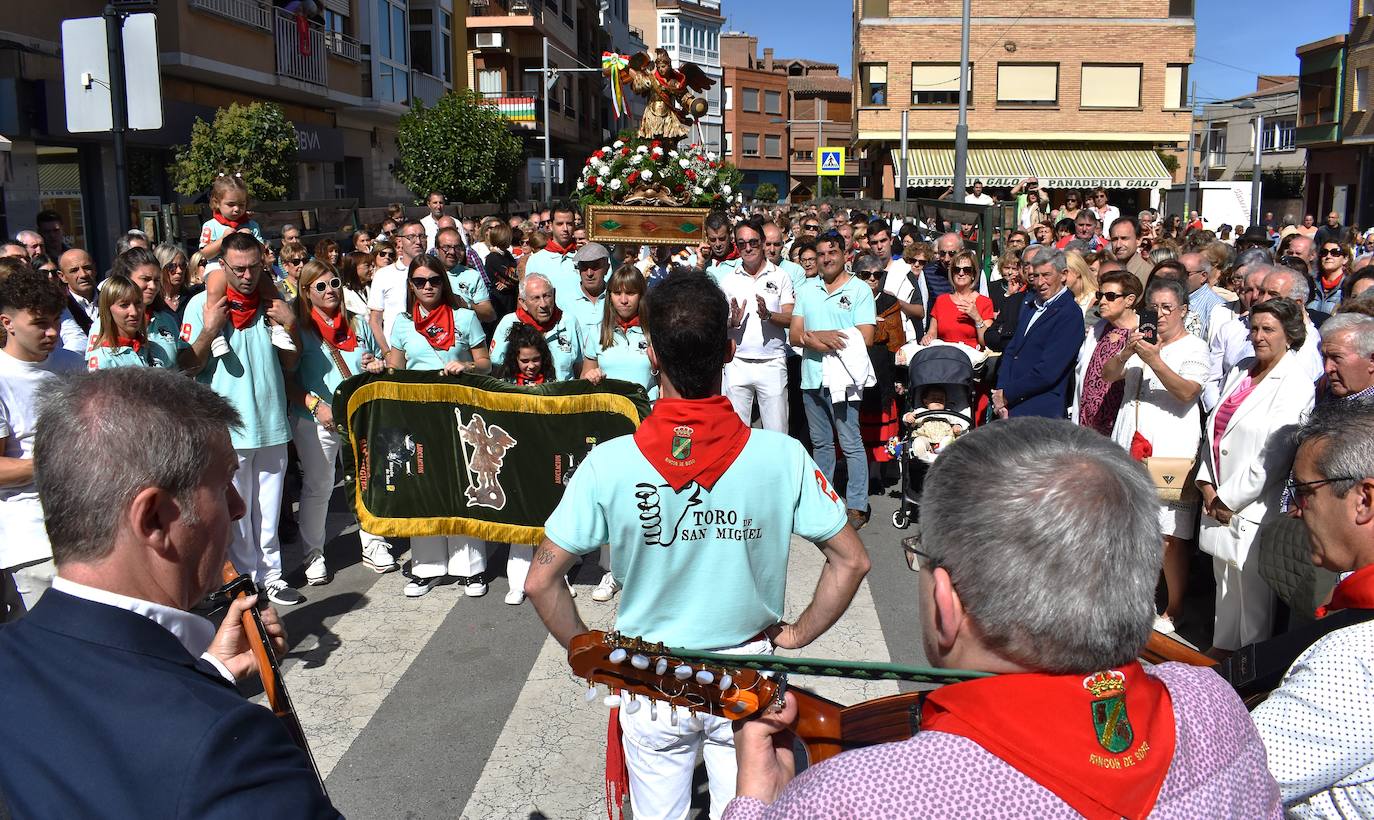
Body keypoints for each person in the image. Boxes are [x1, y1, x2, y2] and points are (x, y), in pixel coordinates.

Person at [726, 418, 1281, 820]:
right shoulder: (1210, 706)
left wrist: (759, 800)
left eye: (919, 556)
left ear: (948, 603)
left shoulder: (857, 798)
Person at [525, 270, 870, 820]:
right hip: (747, 679)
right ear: (730, 351)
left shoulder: (609, 462)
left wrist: (590, 656)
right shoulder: (782, 457)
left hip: (647, 678)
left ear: (652, 355)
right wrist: (797, 633)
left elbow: (541, 579)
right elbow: (851, 560)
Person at [0, 367, 340, 817]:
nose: (238, 509)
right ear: (157, 518)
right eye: (223, 486)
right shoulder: (230, 754)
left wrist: (210, 671)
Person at [1251, 399, 1374, 816]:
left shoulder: (1352, 661)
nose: (1297, 510)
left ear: (1364, 500)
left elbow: (1230, 772)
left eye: (1304, 492)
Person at [178, 232, 304, 607]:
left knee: (270, 507)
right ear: (223, 266)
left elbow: (291, 363)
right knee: (238, 511)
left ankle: (274, 576)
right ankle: (245, 577)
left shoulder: (273, 302)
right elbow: (186, 366)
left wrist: (292, 325)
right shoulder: (203, 304)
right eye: (239, 269)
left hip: (271, 421)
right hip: (229, 427)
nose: (247, 276)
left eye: (254, 268)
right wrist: (210, 330)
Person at [1198, 298, 1316, 655]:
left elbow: (1275, 455)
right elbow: (1214, 427)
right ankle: (1222, 653)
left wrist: (1226, 499)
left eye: (1269, 330)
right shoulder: (1243, 369)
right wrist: (1206, 484)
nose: (1258, 336)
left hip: (1253, 505)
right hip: (1218, 493)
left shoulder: (1296, 382)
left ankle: (1248, 675)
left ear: (1290, 335)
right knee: (1225, 585)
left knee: (1251, 598)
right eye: (1254, 328)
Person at [1102, 278, 1208, 633]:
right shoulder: (1139, 342)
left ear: (1183, 311)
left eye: (1167, 308)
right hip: (1129, 446)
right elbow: (1108, 375)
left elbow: (1187, 391)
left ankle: (1173, 608)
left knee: (1168, 535)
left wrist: (1155, 359)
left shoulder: (1194, 347)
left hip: (1170, 452)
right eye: (1155, 308)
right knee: (1130, 525)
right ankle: (1138, 598)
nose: (1160, 315)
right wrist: (1129, 352)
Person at [385, 253, 491, 597]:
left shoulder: (465, 316)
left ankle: (471, 568)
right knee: (424, 486)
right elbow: (396, 372)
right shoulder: (401, 323)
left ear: (443, 282)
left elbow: (487, 363)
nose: (427, 286)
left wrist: (467, 367)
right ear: (411, 286)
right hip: (420, 415)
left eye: (433, 280)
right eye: (419, 281)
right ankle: (427, 567)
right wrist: (377, 367)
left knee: (464, 485)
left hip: (463, 412)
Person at [289, 260, 395, 584]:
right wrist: (315, 405)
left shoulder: (358, 323)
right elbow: (287, 378)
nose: (330, 291)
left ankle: (373, 542)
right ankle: (313, 555)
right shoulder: (300, 330)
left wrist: (375, 364)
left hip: (358, 416)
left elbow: (381, 359)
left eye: (334, 283)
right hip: (316, 420)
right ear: (306, 292)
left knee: (366, 481)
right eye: (320, 286)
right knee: (320, 486)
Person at [0, 269, 84, 619]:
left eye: (55, 321)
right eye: (39, 324)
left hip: (87, 530)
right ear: (8, 322)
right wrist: (56, 460)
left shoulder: (72, 365)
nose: (52, 332)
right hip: (31, 541)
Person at [792, 233, 877, 530]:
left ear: (845, 255)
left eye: (832, 252)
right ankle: (825, 500)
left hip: (844, 379)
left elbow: (866, 336)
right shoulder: (806, 289)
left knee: (850, 441)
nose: (826, 258)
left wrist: (823, 339)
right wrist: (814, 341)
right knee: (821, 444)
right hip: (812, 376)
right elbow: (794, 334)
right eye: (821, 254)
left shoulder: (859, 290)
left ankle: (856, 505)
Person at [993, 246, 1085, 419]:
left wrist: (1006, 394)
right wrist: (1001, 392)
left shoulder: (1070, 314)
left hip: (1041, 410)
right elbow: (1012, 350)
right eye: (1036, 276)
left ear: (1063, 274)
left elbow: (1048, 371)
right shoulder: (1030, 305)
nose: (1040, 282)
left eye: (1046, 275)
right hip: (1010, 406)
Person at [721, 218, 794, 433]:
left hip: (772, 362)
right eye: (742, 243)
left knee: (777, 431)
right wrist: (731, 322)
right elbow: (719, 323)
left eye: (753, 242)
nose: (748, 248)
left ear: (762, 243)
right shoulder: (728, 280)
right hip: (737, 363)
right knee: (735, 433)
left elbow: (790, 318)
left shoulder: (781, 276)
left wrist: (769, 315)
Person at [1071, 271, 1142, 436]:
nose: (1102, 301)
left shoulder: (1141, 332)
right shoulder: (1098, 328)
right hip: (1088, 424)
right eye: (1100, 295)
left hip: (1119, 424)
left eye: (1110, 296)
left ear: (1129, 300)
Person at [489, 272, 583, 381]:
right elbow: (496, 369)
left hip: (562, 395)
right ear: (523, 302)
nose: (543, 304)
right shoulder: (508, 323)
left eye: (547, 296)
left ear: (554, 294)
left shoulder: (569, 322)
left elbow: (579, 369)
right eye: (536, 298)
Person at [582, 264, 655, 400]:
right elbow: (584, 379)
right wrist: (590, 376)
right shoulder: (597, 332)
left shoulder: (655, 332)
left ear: (641, 295)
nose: (623, 300)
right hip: (609, 412)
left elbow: (665, 384)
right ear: (610, 296)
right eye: (617, 293)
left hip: (646, 411)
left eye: (630, 293)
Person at [86, 275, 170, 370]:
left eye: (138, 303)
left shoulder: (156, 350)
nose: (134, 312)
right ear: (108, 310)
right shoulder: (103, 359)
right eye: (124, 305)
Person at [368, 219, 427, 353]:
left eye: (422, 236)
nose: (418, 241)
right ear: (399, 241)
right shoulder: (384, 275)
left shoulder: (436, 271)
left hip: (430, 351)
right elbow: (375, 320)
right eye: (411, 237)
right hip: (397, 352)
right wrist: (387, 353)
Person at [919, 249, 993, 349]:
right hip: (943, 354)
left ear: (973, 274)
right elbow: (932, 332)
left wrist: (977, 318)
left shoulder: (984, 302)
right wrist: (928, 337)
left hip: (970, 357)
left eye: (966, 270)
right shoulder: (941, 300)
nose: (961, 273)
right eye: (957, 270)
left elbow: (986, 341)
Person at [434, 226, 497, 325]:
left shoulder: (472, 275)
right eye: (446, 247)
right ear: (436, 250)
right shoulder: (427, 274)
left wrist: (466, 304)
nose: (452, 252)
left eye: (457, 247)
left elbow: (490, 315)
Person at [525, 203, 580, 311]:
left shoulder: (583, 256)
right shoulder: (536, 260)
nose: (565, 228)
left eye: (569, 224)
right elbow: (528, 297)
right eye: (560, 224)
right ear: (550, 225)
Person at [1319, 313, 1374, 402]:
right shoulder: (1325, 395)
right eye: (1325, 357)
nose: (1327, 369)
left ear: (1372, 361)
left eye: (1336, 358)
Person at [56, 247, 98, 355]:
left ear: (95, 269)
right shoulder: (59, 307)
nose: (83, 274)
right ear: (62, 276)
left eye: (87, 268)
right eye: (74, 270)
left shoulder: (111, 300)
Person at [153, 242, 194, 320]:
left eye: (183, 265)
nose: (179, 271)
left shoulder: (192, 298)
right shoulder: (153, 301)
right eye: (172, 266)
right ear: (160, 268)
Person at [1109, 215, 1154, 286]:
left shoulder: (1149, 275)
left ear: (1138, 240)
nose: (1118, 245)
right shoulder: (1108, 270)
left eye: (1124, 238)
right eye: (1114, 239)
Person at [1312, 240, 1351, 315]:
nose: (1328, 256)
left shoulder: (1349, 286)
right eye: (1324, 252)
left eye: (1335, 253)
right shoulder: (1311, 283)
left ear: (1345, 259)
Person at [703, 210, 740, 284]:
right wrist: (700, 264)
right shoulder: (696, 260)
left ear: (730, 235)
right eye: (713, 240)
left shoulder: (743, 261)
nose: (718, 244)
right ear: (707, 237)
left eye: (722, 239)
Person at [338, 250, 375, 321]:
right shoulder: (343, 293)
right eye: (367, 265)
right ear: (353, 267)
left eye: (372, 265)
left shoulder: (373, 288)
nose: (371, 269)